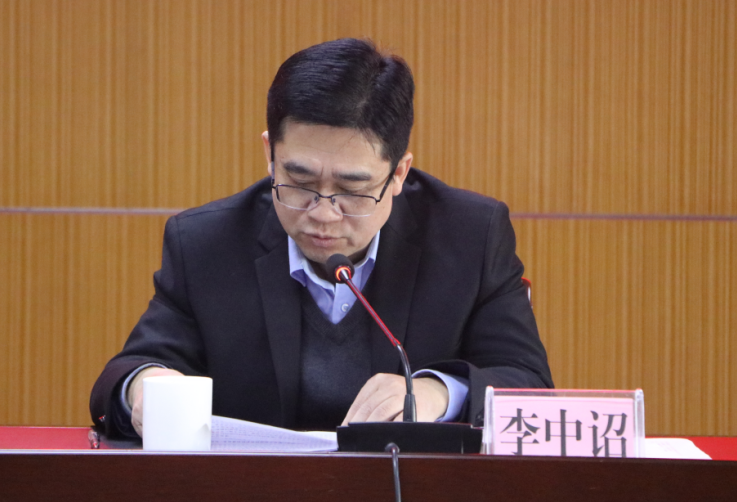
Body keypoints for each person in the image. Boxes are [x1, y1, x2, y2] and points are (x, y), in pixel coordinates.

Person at [90, 38, 552, 438]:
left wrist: (438, 393)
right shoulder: (206, 243)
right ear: (270, 154)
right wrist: (143, 388)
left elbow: (528, 383)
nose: (323, 214)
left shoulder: (470, 236)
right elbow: (126, 374)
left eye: (352, 190)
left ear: (398, 173)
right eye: (300, 182)